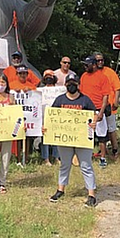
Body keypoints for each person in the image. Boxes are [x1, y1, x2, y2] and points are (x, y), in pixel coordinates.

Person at [46, 73, 98, 207]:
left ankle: (91, 194)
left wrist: (94, 122)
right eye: (69, 83)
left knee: (86, 165)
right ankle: (60, 190)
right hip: (65, 140)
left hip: (82, 139)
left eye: (74, 83)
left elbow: (95, 114)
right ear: (65, 85)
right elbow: (51, 118)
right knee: (64, 164)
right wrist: (46, 129)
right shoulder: (59, 100)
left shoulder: (85, 100)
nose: (71, 86)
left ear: (78, 85)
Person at [80, 55, 112, 168]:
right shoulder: (84, 76)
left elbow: (105, 96)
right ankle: (85, 157)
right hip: (86, 110)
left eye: (87, 64)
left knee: (101, 136)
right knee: (86, 135)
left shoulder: (102, 77)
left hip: (98, 109)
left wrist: (101, 112)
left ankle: (103, 158)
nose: (84, 66)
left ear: (94, 65)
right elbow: (81, 93)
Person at [94, 52, 120, 159]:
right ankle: (103, 151)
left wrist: (116, 101)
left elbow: (117, 87)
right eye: (98, 60)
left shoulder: (109, 72)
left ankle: (115, 150)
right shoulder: (92, 73)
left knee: (111, 129)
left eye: (102, 60)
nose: (100, 62)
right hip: (97, 106)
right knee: (101, 130)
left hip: (109, 106)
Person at [9, 65, 37, 165]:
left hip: (28, 114)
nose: (22, 75)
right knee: (17, 135)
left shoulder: (31, 86)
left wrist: (30, 91)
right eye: (20, 73)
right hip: (16, 114)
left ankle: (26, 157)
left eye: (24, 73)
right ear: (17, 74)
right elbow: (9, 99)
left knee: (27, 136)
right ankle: (18, 158)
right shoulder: (11, 85)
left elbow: (36, 98)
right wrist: (14, 93)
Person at [39, 69, 60, 166]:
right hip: (44, 115)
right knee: (45, 136)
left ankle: (56, 157)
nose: (48, 78)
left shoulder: (59, 90)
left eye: (50, 76)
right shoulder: (40, 90)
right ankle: (46, 158)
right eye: (46, 76)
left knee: (56, 136)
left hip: (56, 116)